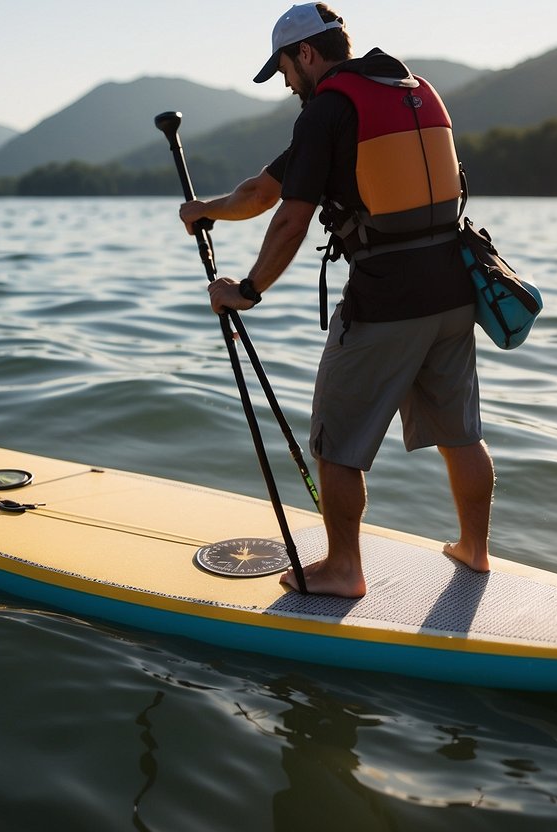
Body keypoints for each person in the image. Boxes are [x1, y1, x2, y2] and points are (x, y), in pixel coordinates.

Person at [180, 2, 493, 598]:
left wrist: (246, 290)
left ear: (306, 54)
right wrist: (206, 211)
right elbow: (259, 193)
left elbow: (291, 217)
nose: (288, 85)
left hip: (385, 300)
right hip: (456, 290)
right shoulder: (409, 90)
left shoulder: (327, 111)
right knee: (461, 432)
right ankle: (474, 551)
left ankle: (343, 569)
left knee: (336, 441)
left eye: (286, 70)